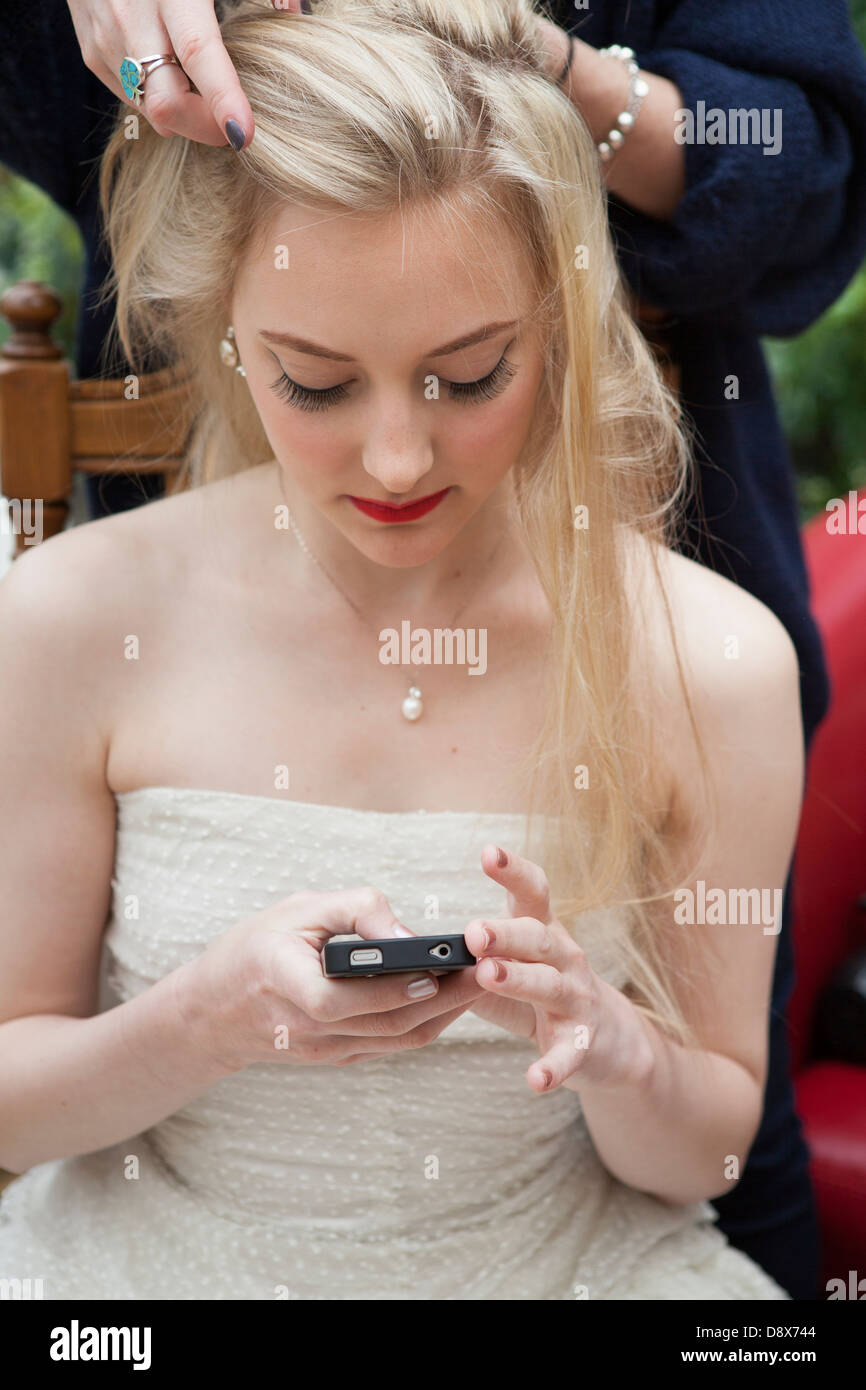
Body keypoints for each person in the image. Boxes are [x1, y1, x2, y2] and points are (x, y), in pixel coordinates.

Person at [0, 0, 814, 1299]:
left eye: (472, 373)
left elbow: (704, 1155)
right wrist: (201, 1020)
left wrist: (612, 1048)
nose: (394, 461)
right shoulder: (73, 616)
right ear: (220, 325)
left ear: (559, 320)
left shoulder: (710, 660)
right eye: (315, 383)